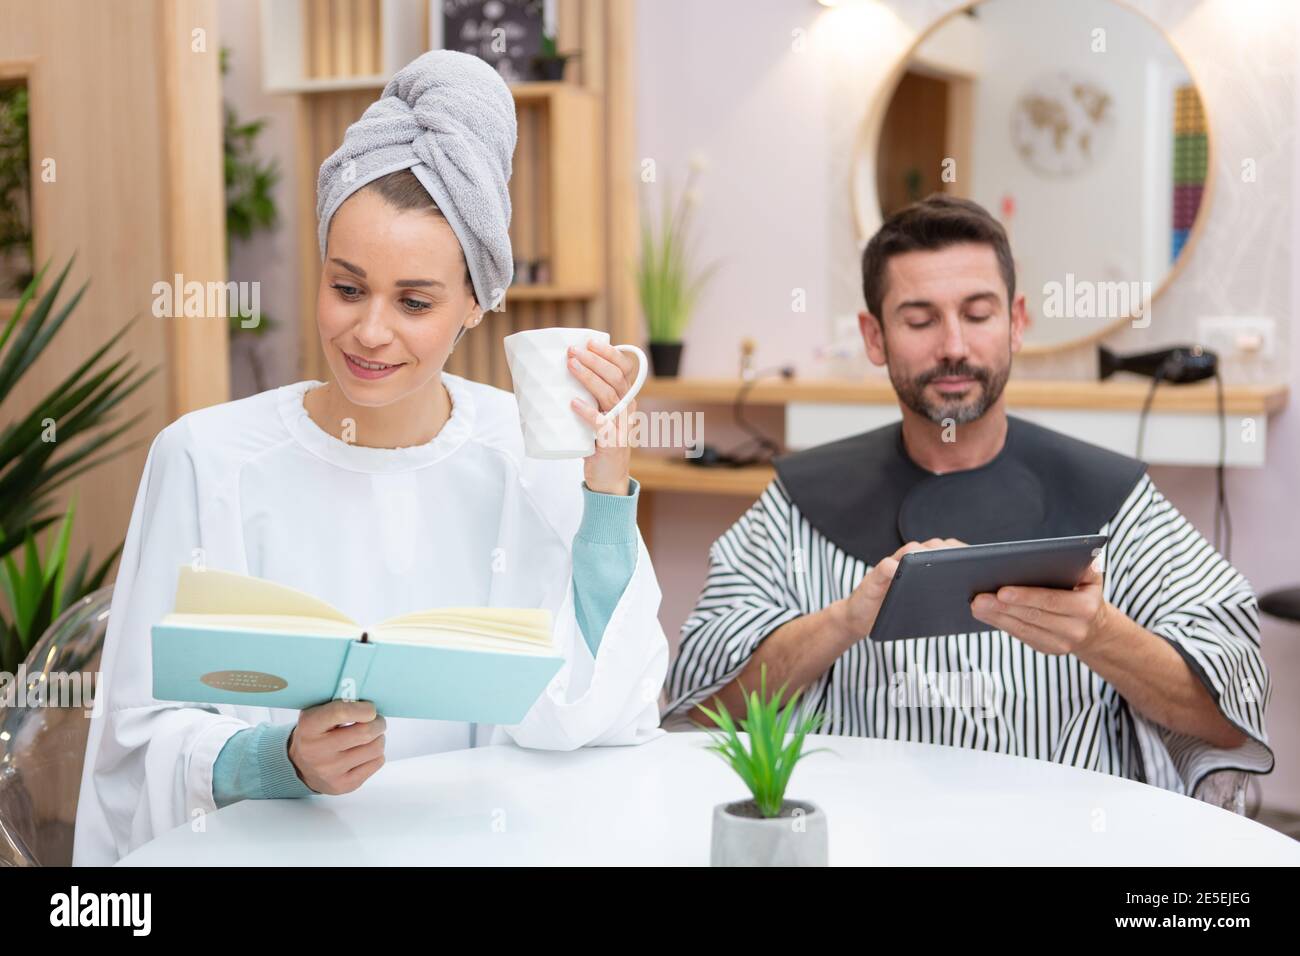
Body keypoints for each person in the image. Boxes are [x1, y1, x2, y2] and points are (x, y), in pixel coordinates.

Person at [73, 50, 667, 866]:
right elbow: (133, 744)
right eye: (347, 288)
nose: (371, 332)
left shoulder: (525, 456)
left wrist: (604, 492)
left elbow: (602, 714)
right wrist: (274, 760)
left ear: (474, 304)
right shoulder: (206, 459)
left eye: (415, 301)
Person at [665, 194, 1271, 796]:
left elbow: (1228, 712)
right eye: (920, 320)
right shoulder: (797, 505)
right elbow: (704, 702)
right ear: (874, 336)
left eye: (978, 314)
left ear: (1017, 322)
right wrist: (841, 623)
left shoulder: (1114, 502)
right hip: (862, 833)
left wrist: (1100, 634)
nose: (953, 345)